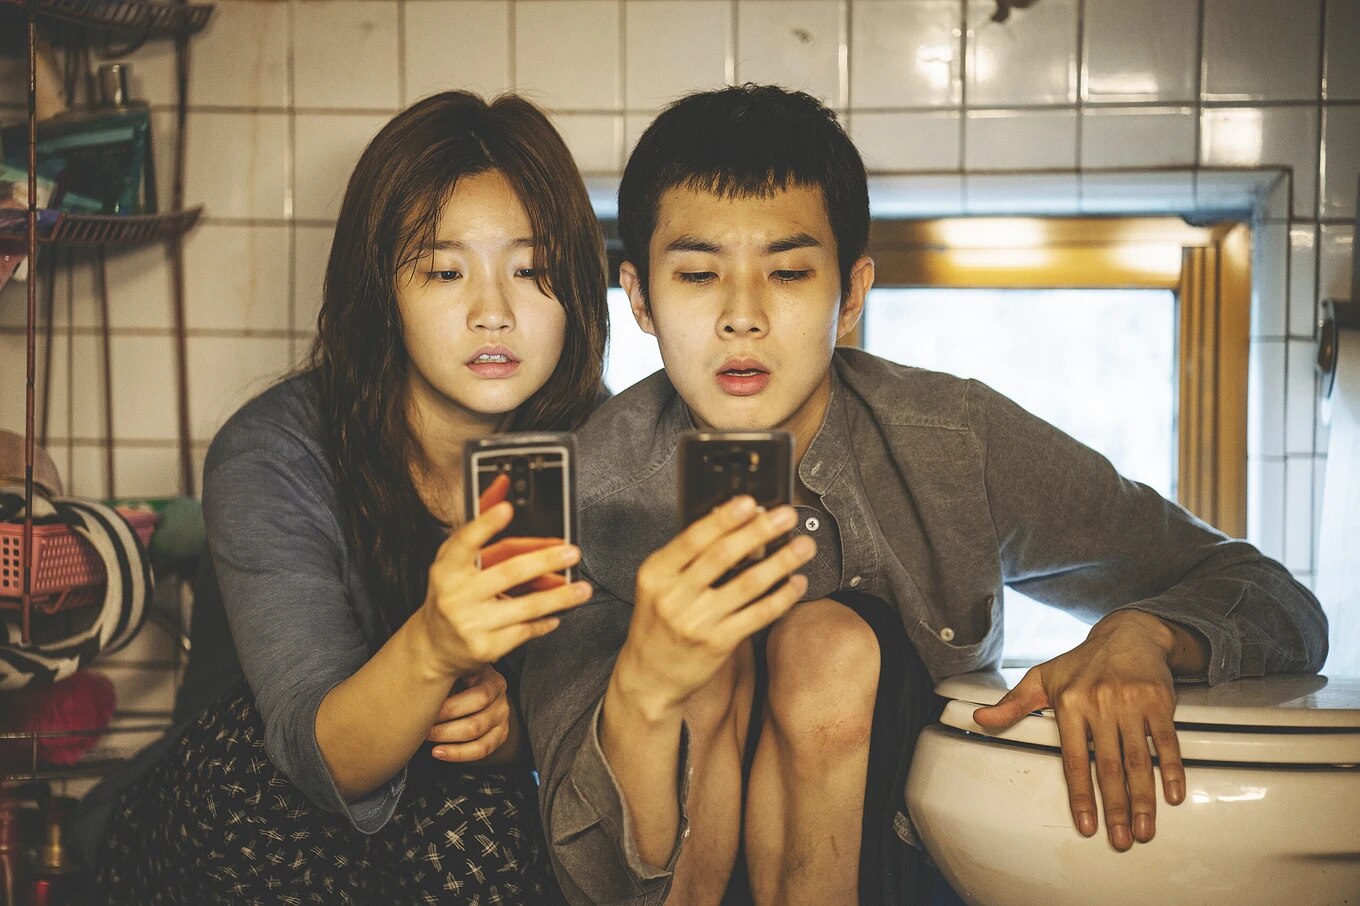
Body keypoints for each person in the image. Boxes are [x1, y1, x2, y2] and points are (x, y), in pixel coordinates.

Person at [516, 84, 1329, 906]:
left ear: (853, 294)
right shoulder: (577, 489)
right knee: (695, 657)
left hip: (902, 871)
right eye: (698, 275)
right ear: (641, 298)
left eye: (790, 271)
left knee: (824, 644)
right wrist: (648, 684)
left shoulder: (950, 440)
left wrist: (1143, 634)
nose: (743, 317)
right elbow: (586, 867)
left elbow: (1273, 598)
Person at [72, 90, 609, 903]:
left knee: (485, 814)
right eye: (444, 270)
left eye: (532, 271)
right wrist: (432, 645)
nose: (494, 312)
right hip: (220, 829)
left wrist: (521, 733)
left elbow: (633, 707)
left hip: (440, 838)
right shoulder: (276, 450)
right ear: (381, 292)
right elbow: (308, 754)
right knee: (250, 742)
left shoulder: (608, 451)